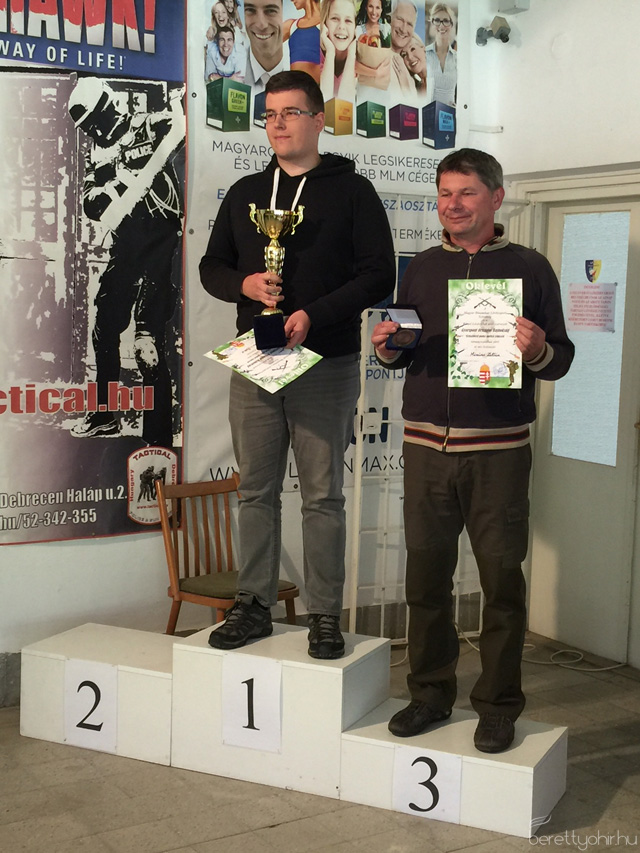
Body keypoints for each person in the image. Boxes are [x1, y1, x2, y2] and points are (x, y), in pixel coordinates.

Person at [371, 148, 574, 753]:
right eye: (445, 193)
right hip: (425, 448)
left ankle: (498, 706)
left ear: (496, 198)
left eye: (466, 193)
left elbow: (560, 359)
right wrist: (387, 348)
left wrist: (537, 350)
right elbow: (404, 348)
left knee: (502, 585)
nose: (452, 205)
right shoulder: (421, 268)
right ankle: (430, 695)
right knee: (425, 583)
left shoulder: (531, 268)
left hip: (498, 454)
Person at [200, 70, 395, 659]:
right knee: (255, 491)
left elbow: (378, 275)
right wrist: (245, 284)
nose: (278, 124)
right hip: (256, 359)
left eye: (290, 112)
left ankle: (325, 615)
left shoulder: (352, 192)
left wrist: (314, 314)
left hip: (325, 361)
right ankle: (253, 605)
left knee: (322, 496)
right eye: (270, 114)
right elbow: (212, 268)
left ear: (317, 120)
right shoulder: (246, 192)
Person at [67, 77, 183, 448]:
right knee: (104, 328)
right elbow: (92, 203)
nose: (94, 132)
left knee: (148, 345)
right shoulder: (98, 154)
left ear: (108, 107)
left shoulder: (148, 126)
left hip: (162, 248)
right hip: (126, 248)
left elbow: (180, 130)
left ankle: (158, 437)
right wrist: (120, 180)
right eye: (88, 128)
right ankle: (103, 415)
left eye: (94, 122)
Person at [243, 0, 290, 93]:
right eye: (250, 10)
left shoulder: (307, 72)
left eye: (271, 11)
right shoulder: (227, 76)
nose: (261, 25)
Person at [320, 0, 358, 102]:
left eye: (348, 20)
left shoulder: (362, 59)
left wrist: (351, 55)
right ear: (324, 23)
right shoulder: (315, 55)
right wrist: (330, 53)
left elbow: (345, 105)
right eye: (335, 19)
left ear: (355, 27)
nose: (341, 26)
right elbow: (324, 102)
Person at [425, 2, 457, 104]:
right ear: (432, 23)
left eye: (446, 21)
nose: (442, 26)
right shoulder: (424, 54)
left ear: (451, 24)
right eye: (437, 21)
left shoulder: (457, 58)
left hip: (450, 113)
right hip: (428, 111)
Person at [284, 0, 322, 83]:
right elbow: (264, 44)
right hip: (295, 86)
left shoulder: (328, 23)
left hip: (319, 87)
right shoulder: (291, 25)